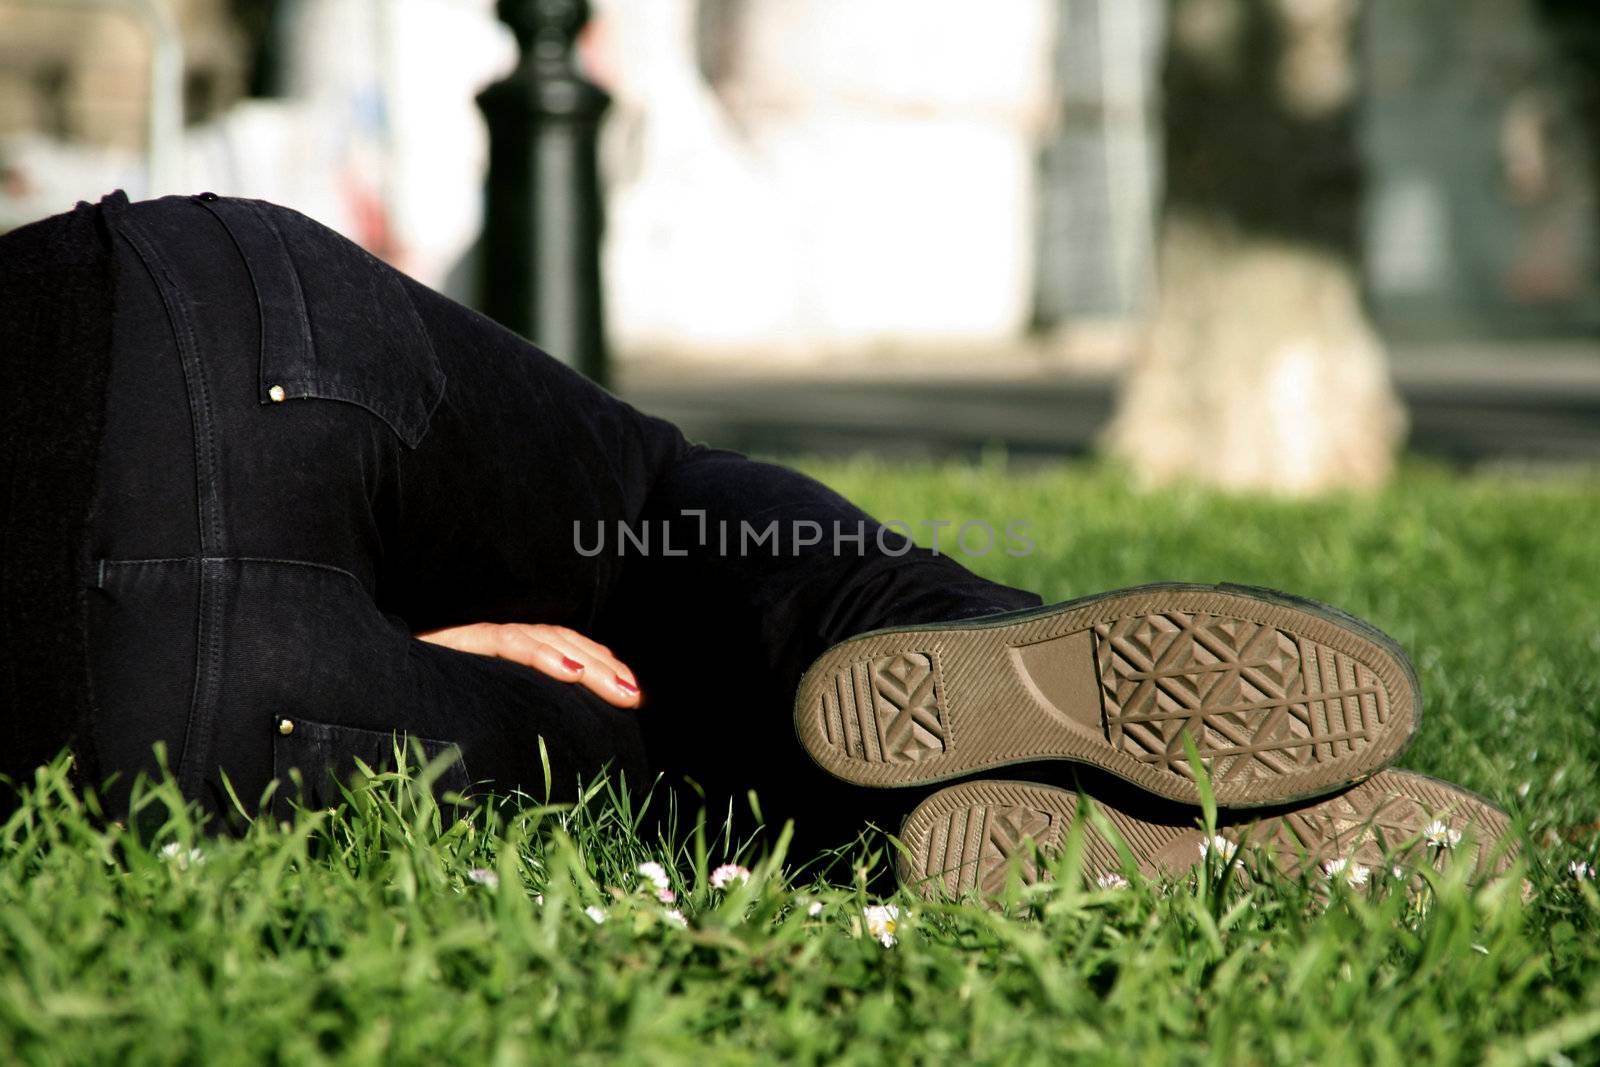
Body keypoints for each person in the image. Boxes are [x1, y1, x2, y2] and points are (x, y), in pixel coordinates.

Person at [0, 192, 1513, 896]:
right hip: (193, 317)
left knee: (661, 771)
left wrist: (394, 660)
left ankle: (1049, 839)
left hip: (146, 695)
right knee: (658, 514)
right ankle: (982, 640)